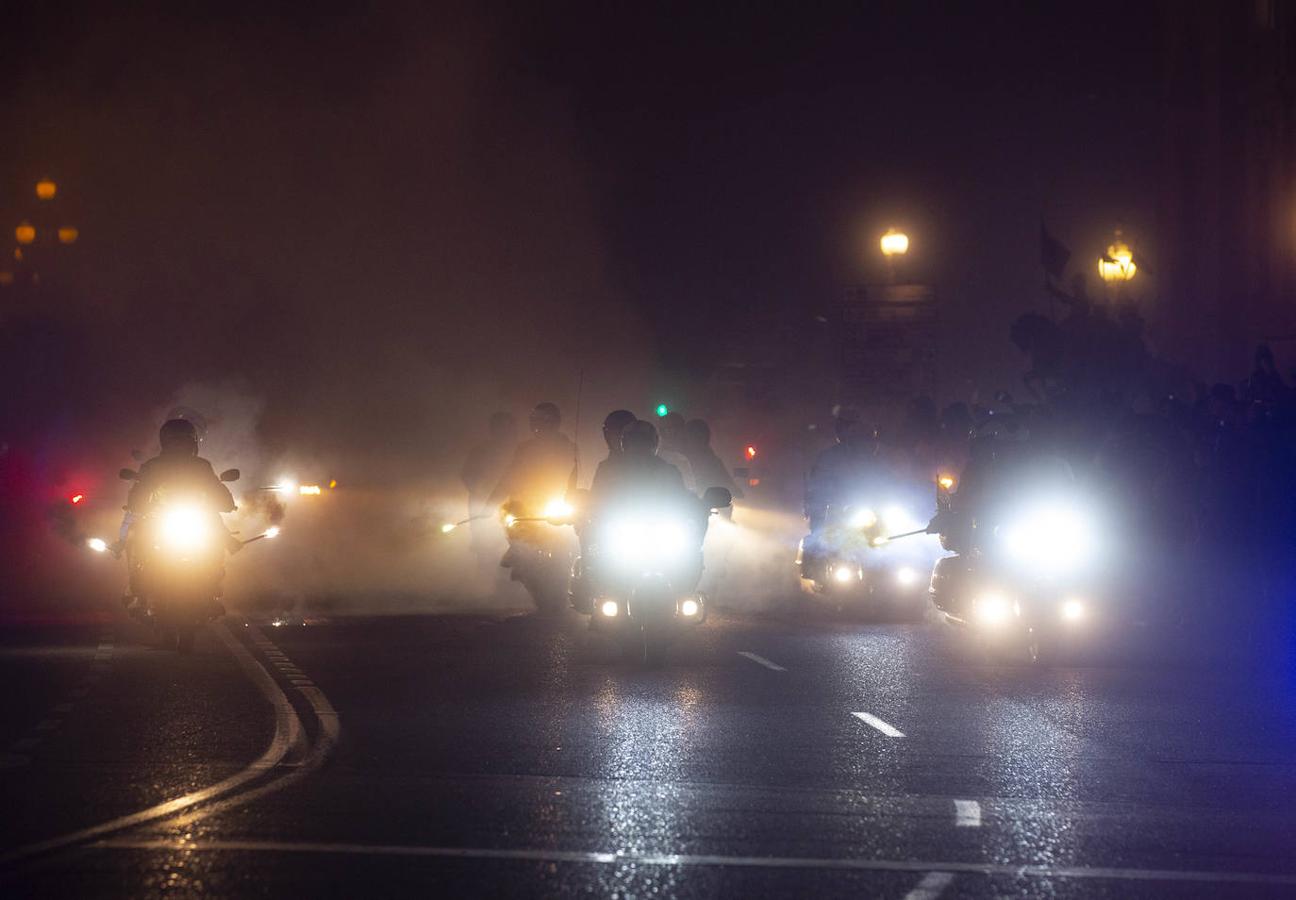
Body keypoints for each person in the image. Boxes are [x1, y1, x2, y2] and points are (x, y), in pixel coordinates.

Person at [118, 418, 237, 610]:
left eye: (183, 441)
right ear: (165, 443)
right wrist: (135, 504)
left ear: (192, 443)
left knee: (215, 527)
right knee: (134, 534)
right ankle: (135, 584)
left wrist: (227, 502)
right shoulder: (152, 467)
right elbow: (139, 491)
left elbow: (215, 487)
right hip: (160, 518)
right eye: (174, 441)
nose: (179, 446)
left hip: (194, 516)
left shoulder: (202, 466)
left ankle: (213, 584)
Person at [488, 402, 576, 511]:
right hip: (525, 510)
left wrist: (573, 501)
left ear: (554, 422)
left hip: (558, 509)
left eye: (544, 420)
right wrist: (491, 503)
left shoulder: (568, 448)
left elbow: (575, 478)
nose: (539, 425)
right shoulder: (525, 449)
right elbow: (510, 476)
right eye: (536, 420)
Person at [460, 411, 517, 564]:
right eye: (500, 427)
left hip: (511, 503)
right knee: (482, 541)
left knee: (517, 539)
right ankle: (484, 570)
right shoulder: (480, 451)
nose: (503, 432)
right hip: (481, 502)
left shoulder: (518, 452)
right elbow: (466, 474)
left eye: (507, 428)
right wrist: (479, 491)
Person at [682, 418, 742, 502]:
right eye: (691, 436)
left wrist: (733, 489)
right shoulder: (677, 457)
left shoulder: (713, 461)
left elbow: (726, 481)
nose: (694, 440)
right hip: (680, 503)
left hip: (703, 506)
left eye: (698, 436)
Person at [657, 411, 696, 492]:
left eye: (675, 428)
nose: (671, 433)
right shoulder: (657, 455)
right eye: (667, 429)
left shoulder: (696, 453)